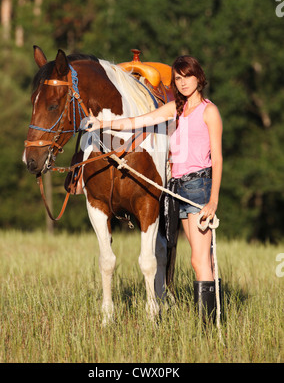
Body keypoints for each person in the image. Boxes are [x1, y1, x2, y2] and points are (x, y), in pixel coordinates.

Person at [83, 55, 223, 320]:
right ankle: (211, 318)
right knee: (200, 256)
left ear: (199, 78)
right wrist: (103, 124)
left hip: (198, 187)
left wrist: (213, 200)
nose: (182, 83)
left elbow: (217, 158)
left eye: (187, 77)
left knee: (199, 259)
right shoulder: (175, 109)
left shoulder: (209, 111)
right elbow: (136, 122)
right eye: (178, 79)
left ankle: (210, 326)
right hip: (176, 187)